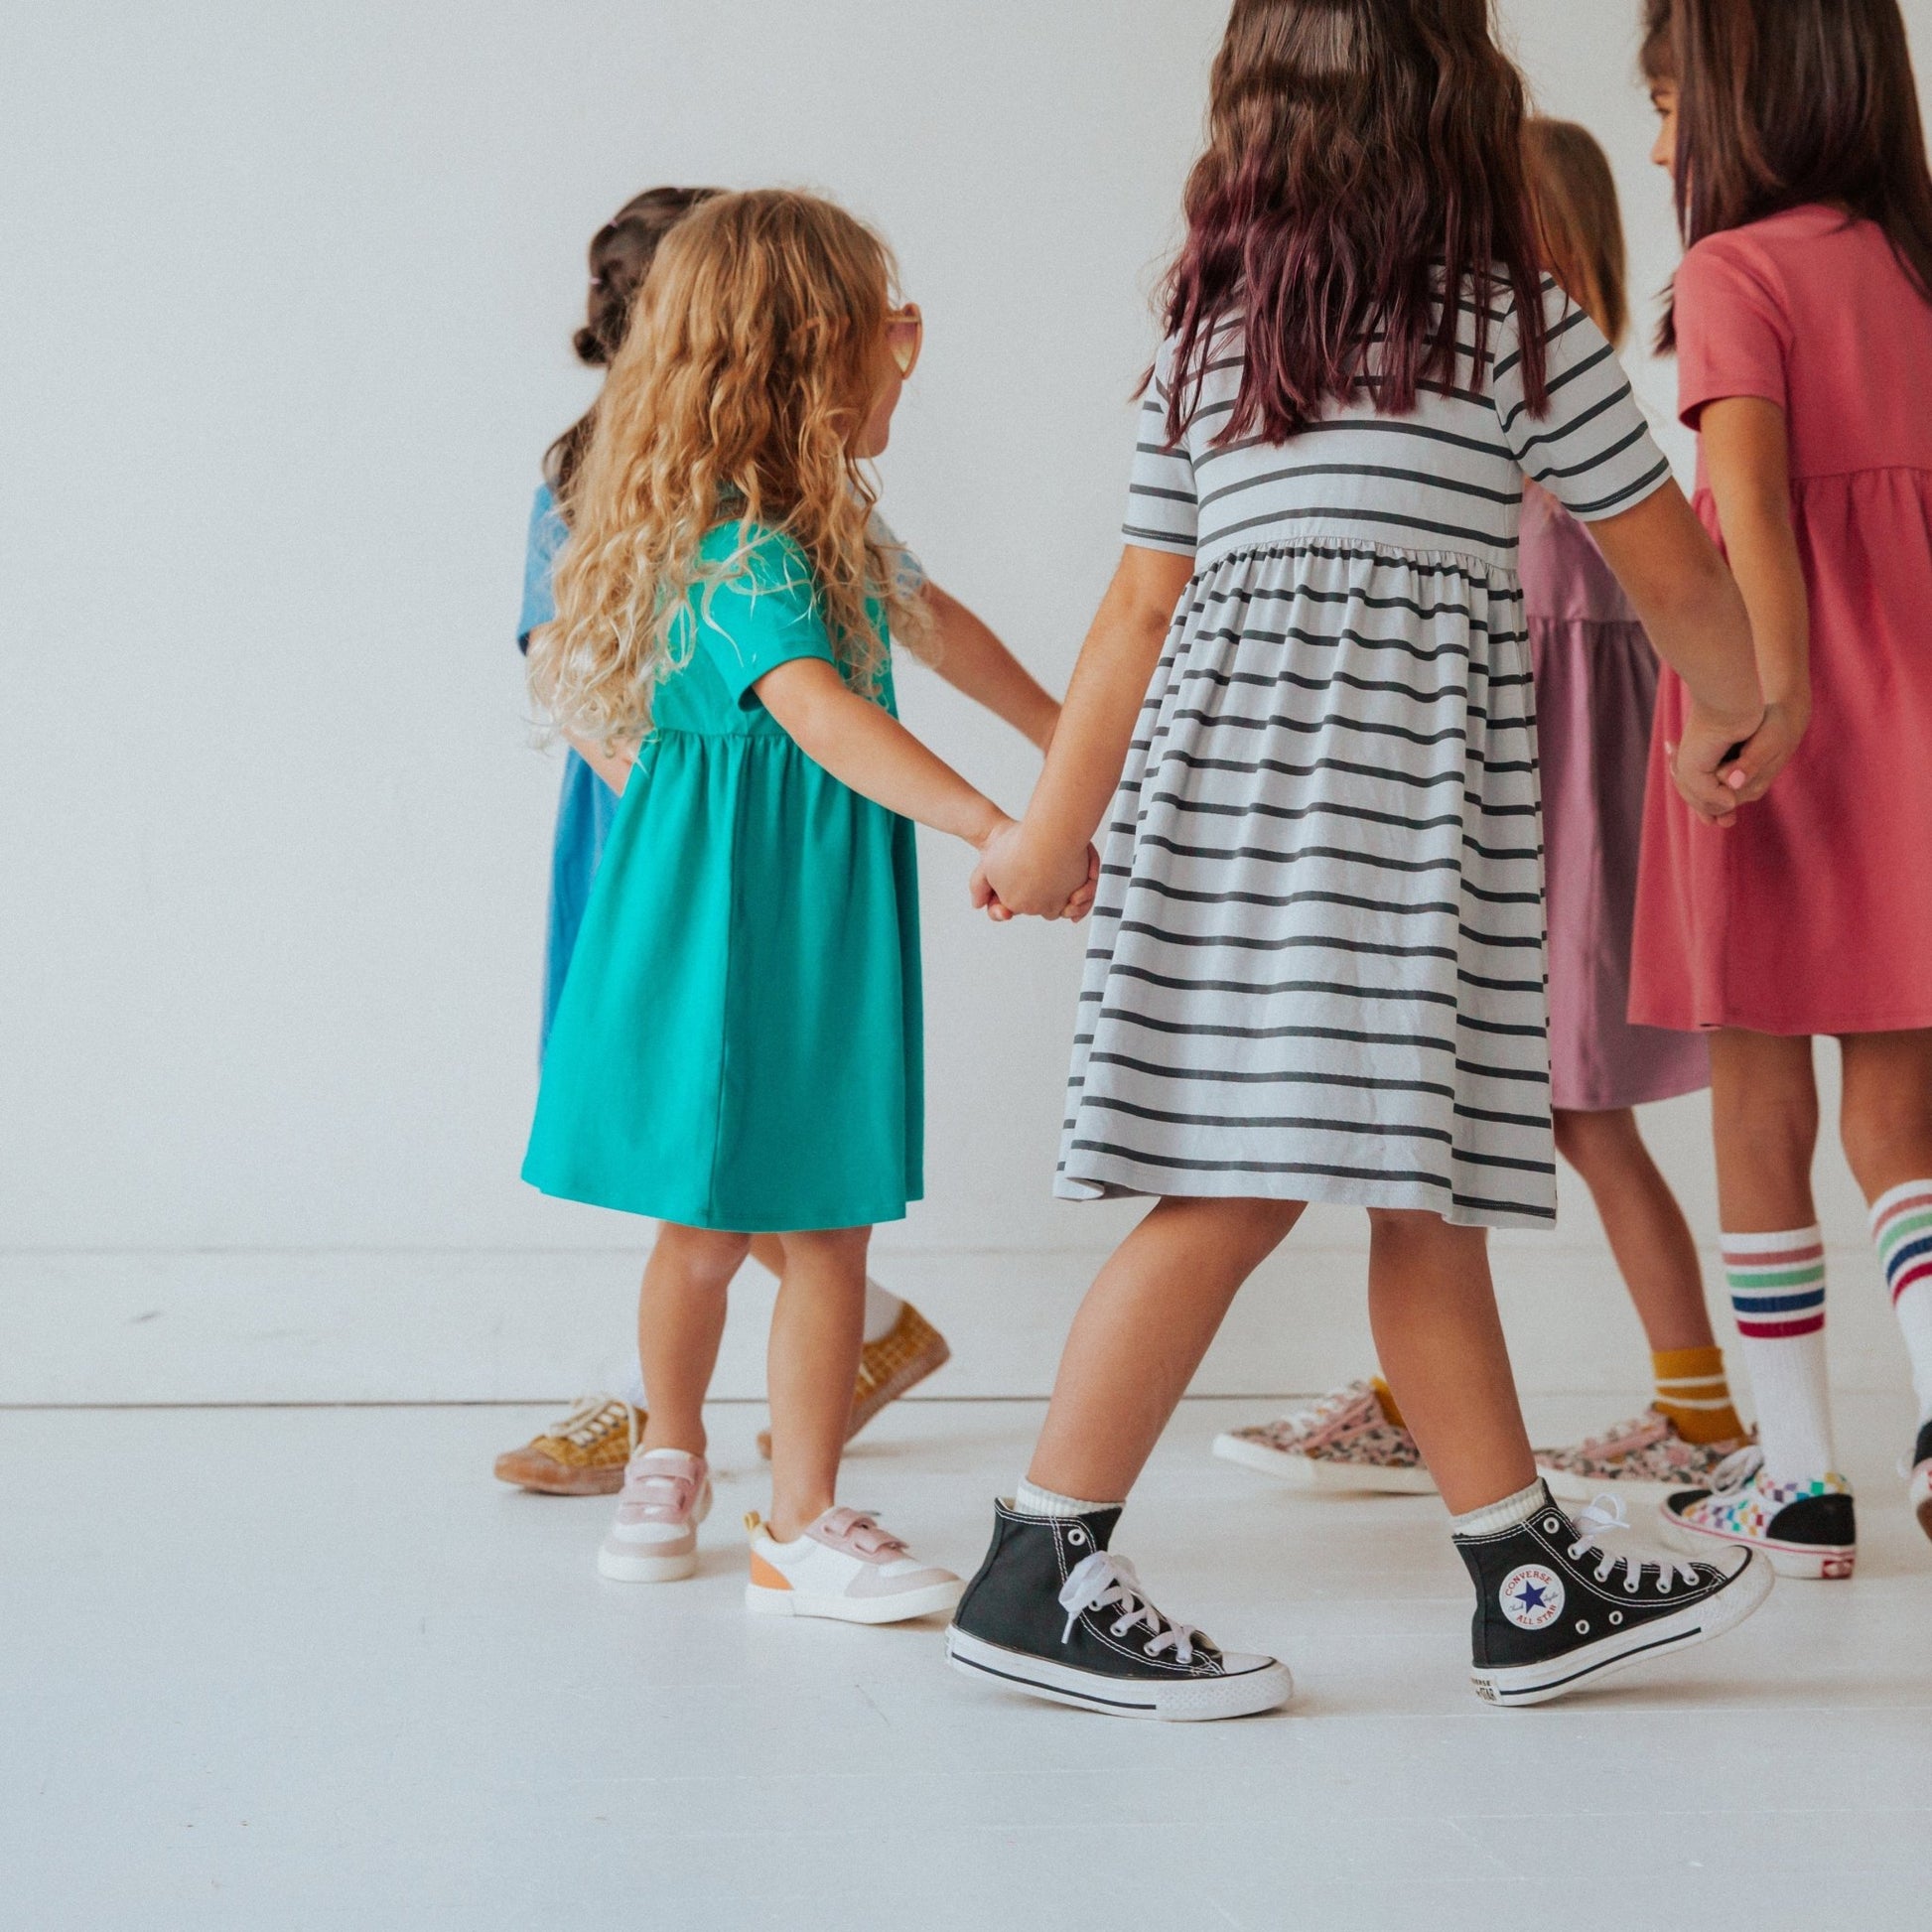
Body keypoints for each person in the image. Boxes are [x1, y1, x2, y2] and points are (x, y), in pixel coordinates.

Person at [946, 0, 1776, 1720]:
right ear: (1453, 107)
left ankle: (1522, 1572)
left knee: (1425, 1186)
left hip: (1226, 809)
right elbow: (1667, 568)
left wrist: (1054, 833)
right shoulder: (1515, 331)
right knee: (1251, 1186)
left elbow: (1131, 615)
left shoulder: (1212, 336)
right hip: (1387, 824)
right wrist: (1740, 701)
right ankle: (1038, 1557)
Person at [523, 189, 1081, 1619]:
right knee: (702, 1222)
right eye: (886, 335)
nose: (908, 356)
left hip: (815, 906)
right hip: (719, 913)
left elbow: (937, 624)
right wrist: (993, 821)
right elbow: (817, 711)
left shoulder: (814, 521)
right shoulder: (732, 544)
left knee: (828, 1218)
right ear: (808, 356)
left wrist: (1071, 739)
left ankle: (802, 1511)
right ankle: (671, 1446)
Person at [1211, 119, 1750, 1505]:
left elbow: (1585, 692)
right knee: (1477, 1119)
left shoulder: (1555, 457)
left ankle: (1692, 1407)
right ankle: (1430, 1393)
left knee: (1572, 1112)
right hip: (1507, 841)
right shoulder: (1506, 445)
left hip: (1550, 851)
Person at [1634, 0, 1932, 1577]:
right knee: (1901, 1107)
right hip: (1922, 713)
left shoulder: (1727, 271)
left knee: (1757, 1093)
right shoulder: (1912, 262)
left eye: (1672, 100)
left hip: (1767, 698)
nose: (1661, 138)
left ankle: (1798, 1478)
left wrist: (1764, 697)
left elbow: (1742, 489)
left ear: (1745, 94)